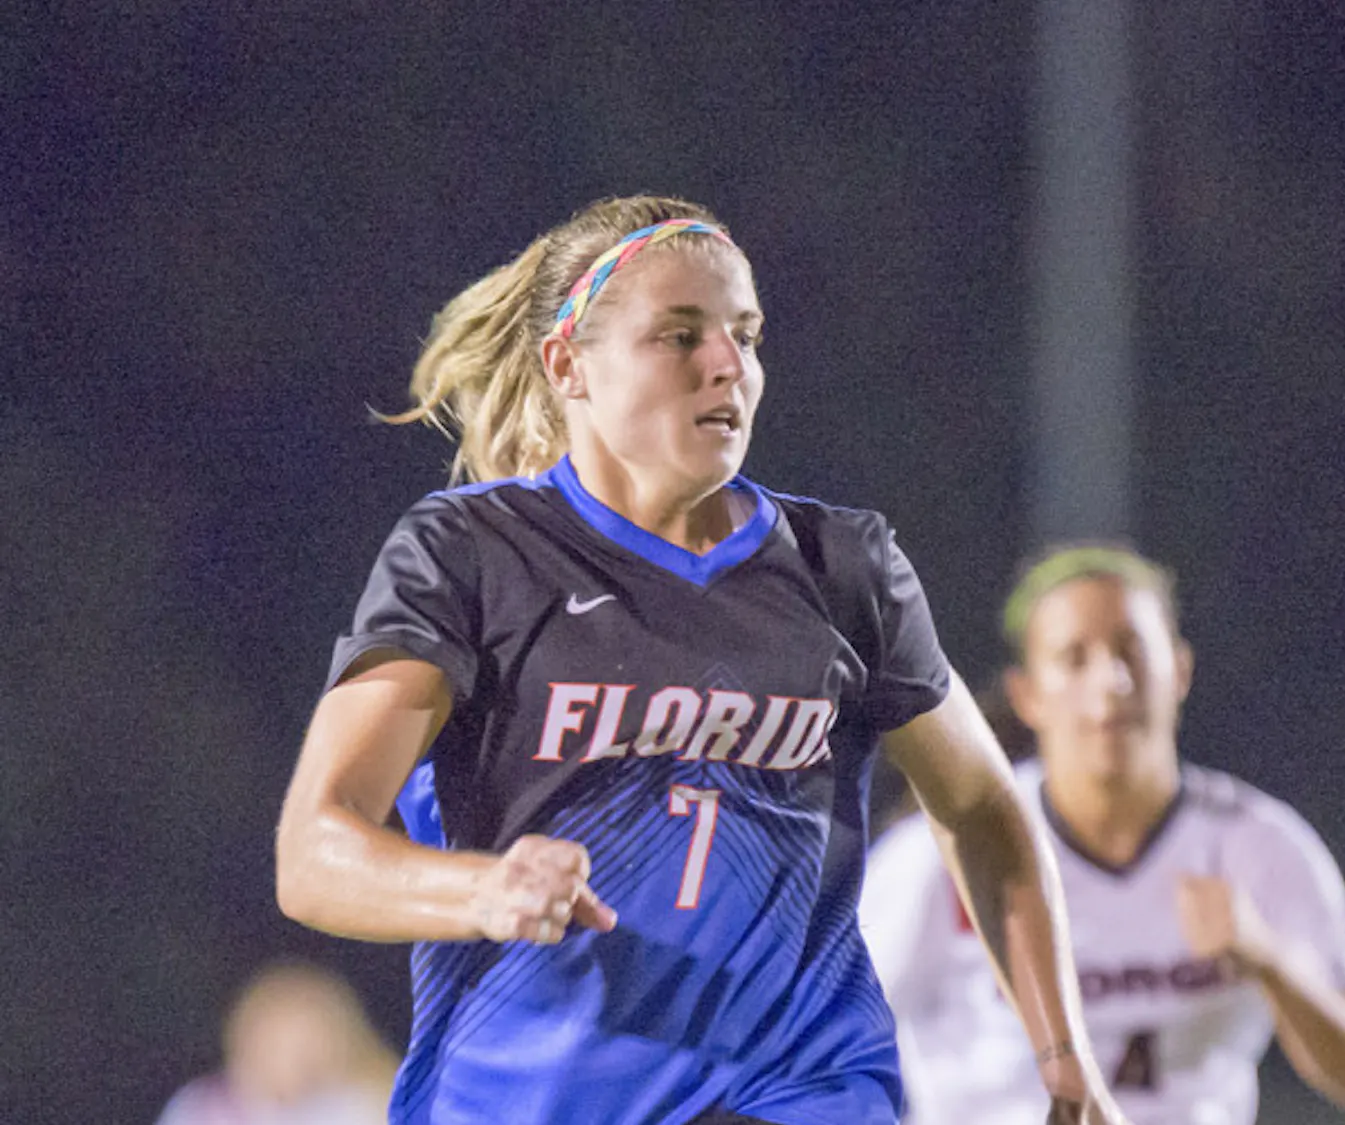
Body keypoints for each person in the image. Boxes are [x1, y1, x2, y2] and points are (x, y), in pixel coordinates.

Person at [274, 195, 1131, 1125]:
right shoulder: (474, 553)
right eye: (679, 335)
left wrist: (1064, 1057)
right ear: (568, 365)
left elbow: (981, 805)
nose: (729, 365)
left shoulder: (841, 567)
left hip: (801, 1089)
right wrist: (484, 887)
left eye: (746, 334)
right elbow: (315, 854)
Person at [860, 546, 1345, 1124]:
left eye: (1131, 651)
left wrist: (1272, 961)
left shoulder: (1256, 845)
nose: (1111, 681)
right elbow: (811, 1044)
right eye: (1075, 658)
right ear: (1027, 695)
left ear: (1181, 670)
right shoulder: (952, 851)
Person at [155, 960, 398, 1125]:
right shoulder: (201, 1108)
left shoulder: (364, 1106)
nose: (290, 1058)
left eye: (304, 1044)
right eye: (276, 1042)